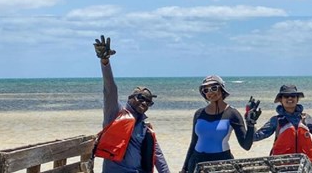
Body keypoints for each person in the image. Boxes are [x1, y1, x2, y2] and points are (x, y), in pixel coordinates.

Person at [92, 35, 170, 173]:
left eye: (148, 102)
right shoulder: (115, 114)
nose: (144, 102)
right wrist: (105, 62)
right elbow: (110, 90)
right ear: (130, 98)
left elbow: (158, 156)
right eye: (141, 97)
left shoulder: (145, 129)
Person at [181, 75, 261, 173]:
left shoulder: (232, 113)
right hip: (196, 162)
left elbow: (246, 146)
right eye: (206, 90)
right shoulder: (199, 114)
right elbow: (193, 143)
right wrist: (184, 168)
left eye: (214, 88)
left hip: (222, 163)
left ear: (222, 89)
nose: (210, 92)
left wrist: (251, 124)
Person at [253, 84, 312, 161]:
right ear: (281, 100)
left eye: (293, 96)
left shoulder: (305, 119)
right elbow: (254, 137)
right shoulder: (276, 120)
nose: (290, 98)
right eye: (286, 96)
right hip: (282, 167)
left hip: (304, 166)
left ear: (297, 99)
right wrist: (251, 121)